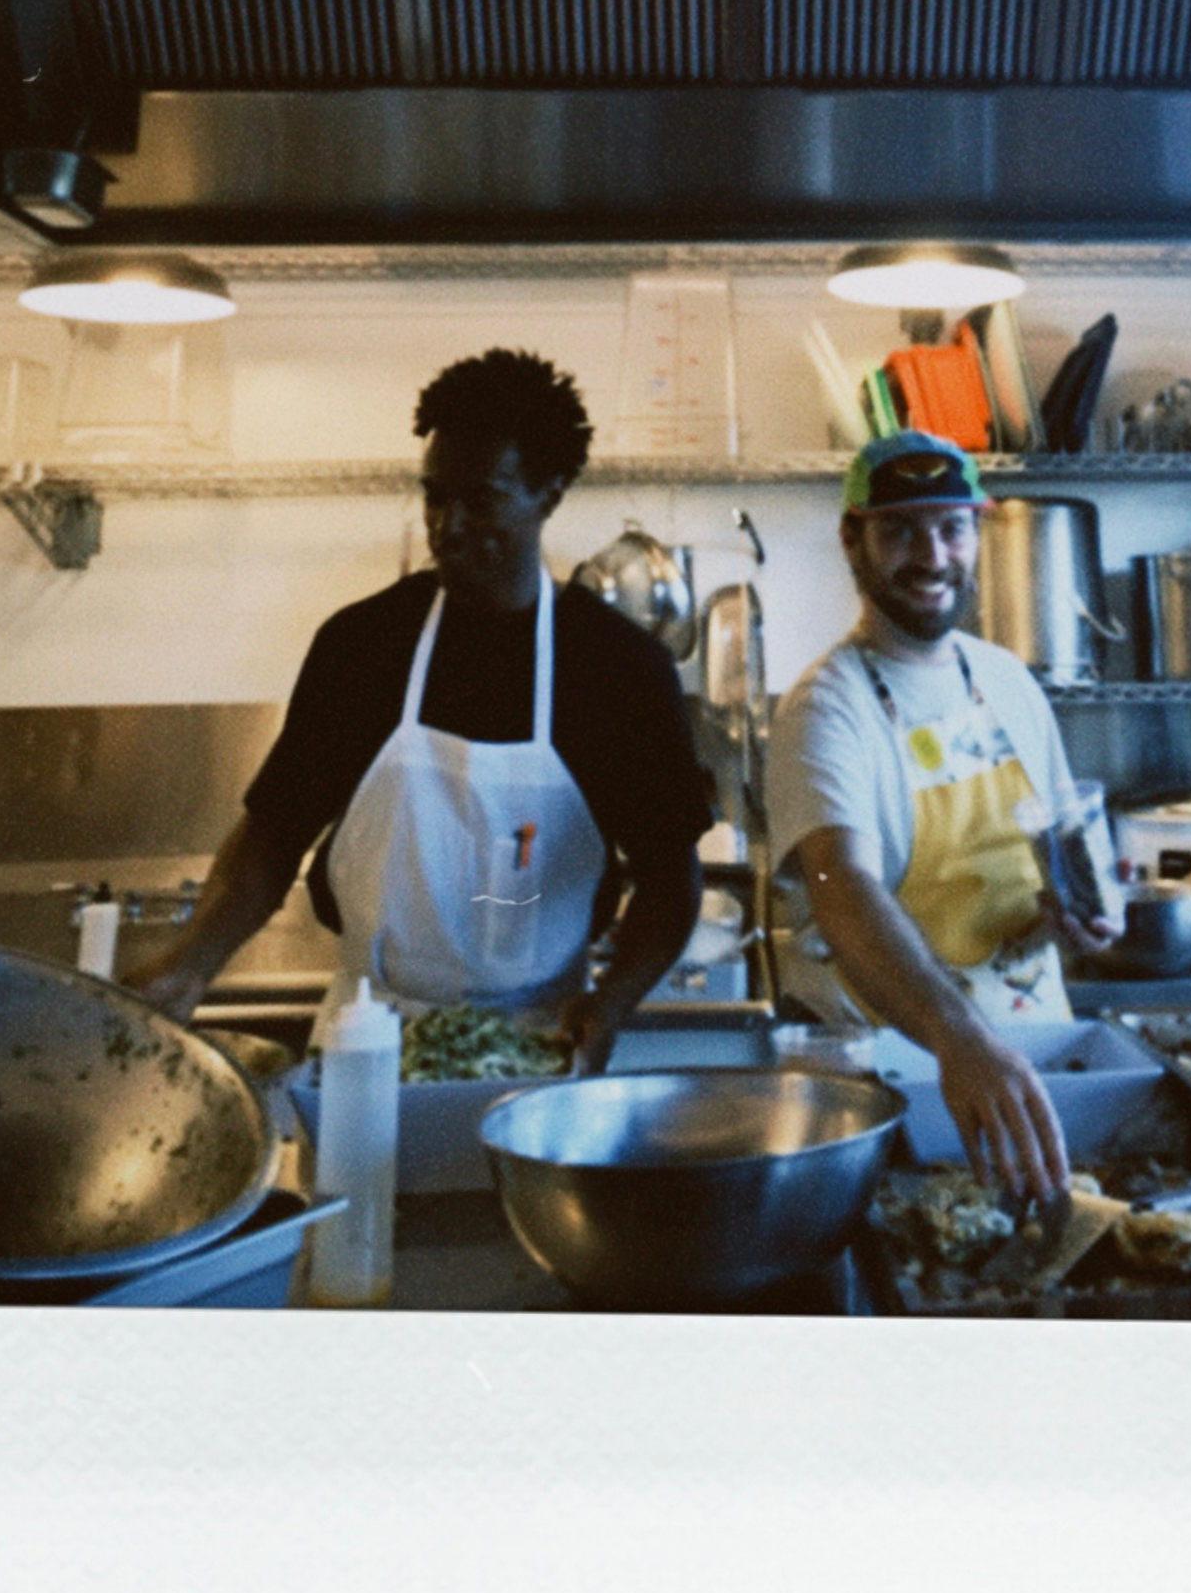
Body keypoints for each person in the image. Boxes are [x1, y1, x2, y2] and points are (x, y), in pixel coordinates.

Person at [123, 349, 705, 1070]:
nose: (448, 526)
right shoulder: (363, 645)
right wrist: (190, 964)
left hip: (542, 1045)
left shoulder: (619, 668)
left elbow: (670, 880)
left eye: (481, 501)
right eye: (434, 497)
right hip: (367, 1039)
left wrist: (611, 1002)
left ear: (549, 493)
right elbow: (273, 837)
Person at [765, 432, 1106, 1205]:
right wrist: (960, 1039)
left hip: (1031, 1059)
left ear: (976, 534)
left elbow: (1060, 835)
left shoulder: (1005, 678)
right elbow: (838, 881)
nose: (932, 555)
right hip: (902, 1080)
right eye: (900, 530)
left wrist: (1075, 914)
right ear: (852, 539)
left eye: (951, 528)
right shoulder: (827, 707)